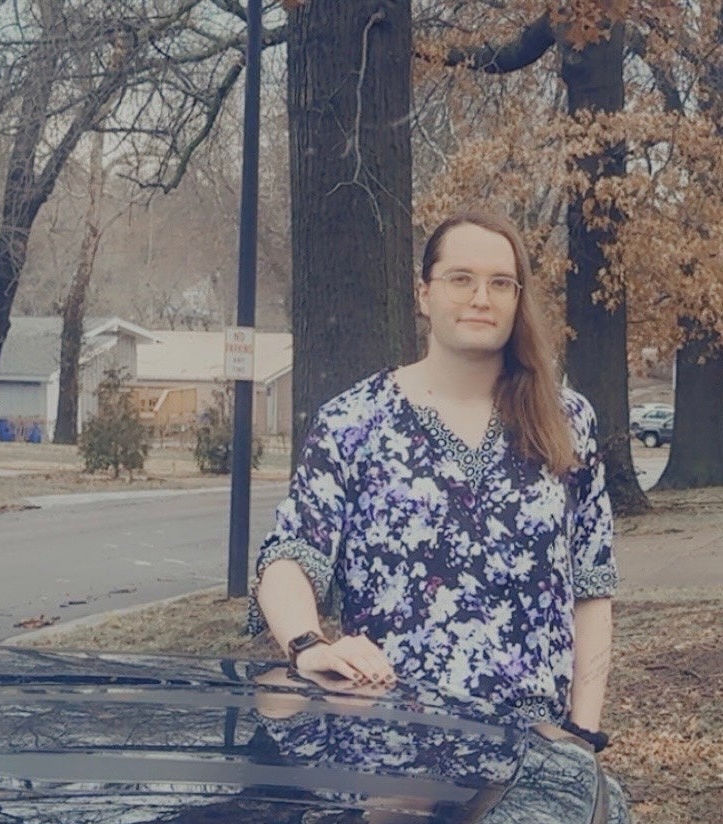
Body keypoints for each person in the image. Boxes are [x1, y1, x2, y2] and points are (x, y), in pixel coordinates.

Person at [250, 208, 617, 750]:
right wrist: (310, 645)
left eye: (500, 283)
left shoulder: (565, 421)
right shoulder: (354, 422)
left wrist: (583, 733)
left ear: (518, 299)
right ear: (424, 295)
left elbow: (592, 584)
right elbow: (290, 556)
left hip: (530, 755)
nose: (480, 298)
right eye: (460, 279)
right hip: (386, 749)